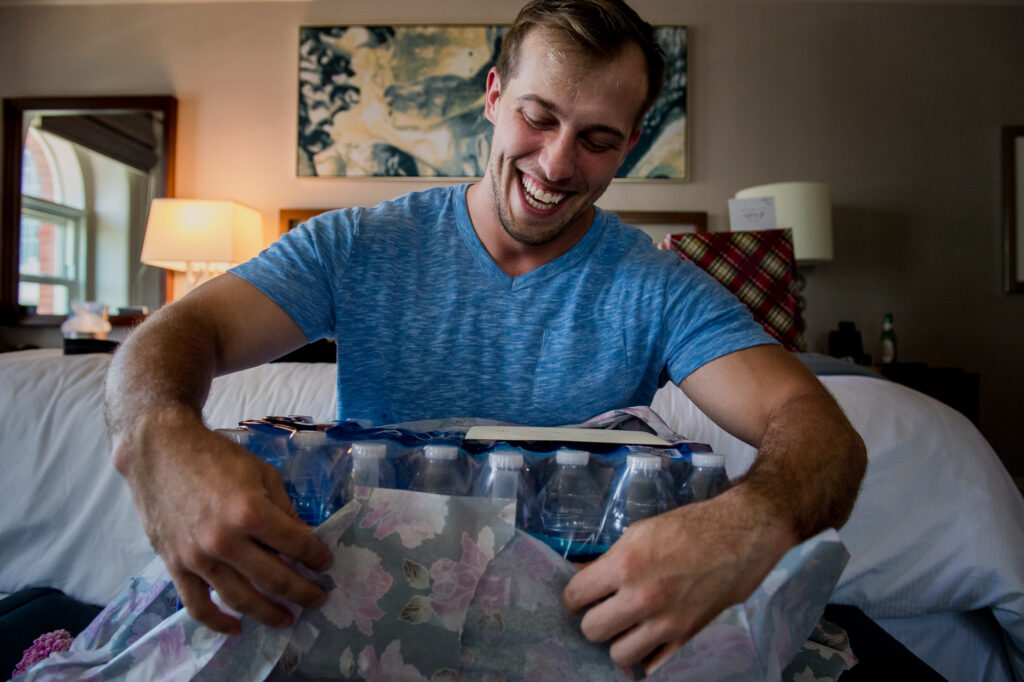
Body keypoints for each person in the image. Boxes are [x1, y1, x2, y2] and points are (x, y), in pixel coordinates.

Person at [105, 0, 866, 674]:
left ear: (631, 145)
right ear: (495, 98)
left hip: (568, 624)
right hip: (365, 612)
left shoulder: (657, 288)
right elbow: (179, 333)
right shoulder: (359, 246)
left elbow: (819, 431)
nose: (557, 163)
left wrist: (748, 521)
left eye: (597, 139)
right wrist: (161, 436)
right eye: (539, 118)